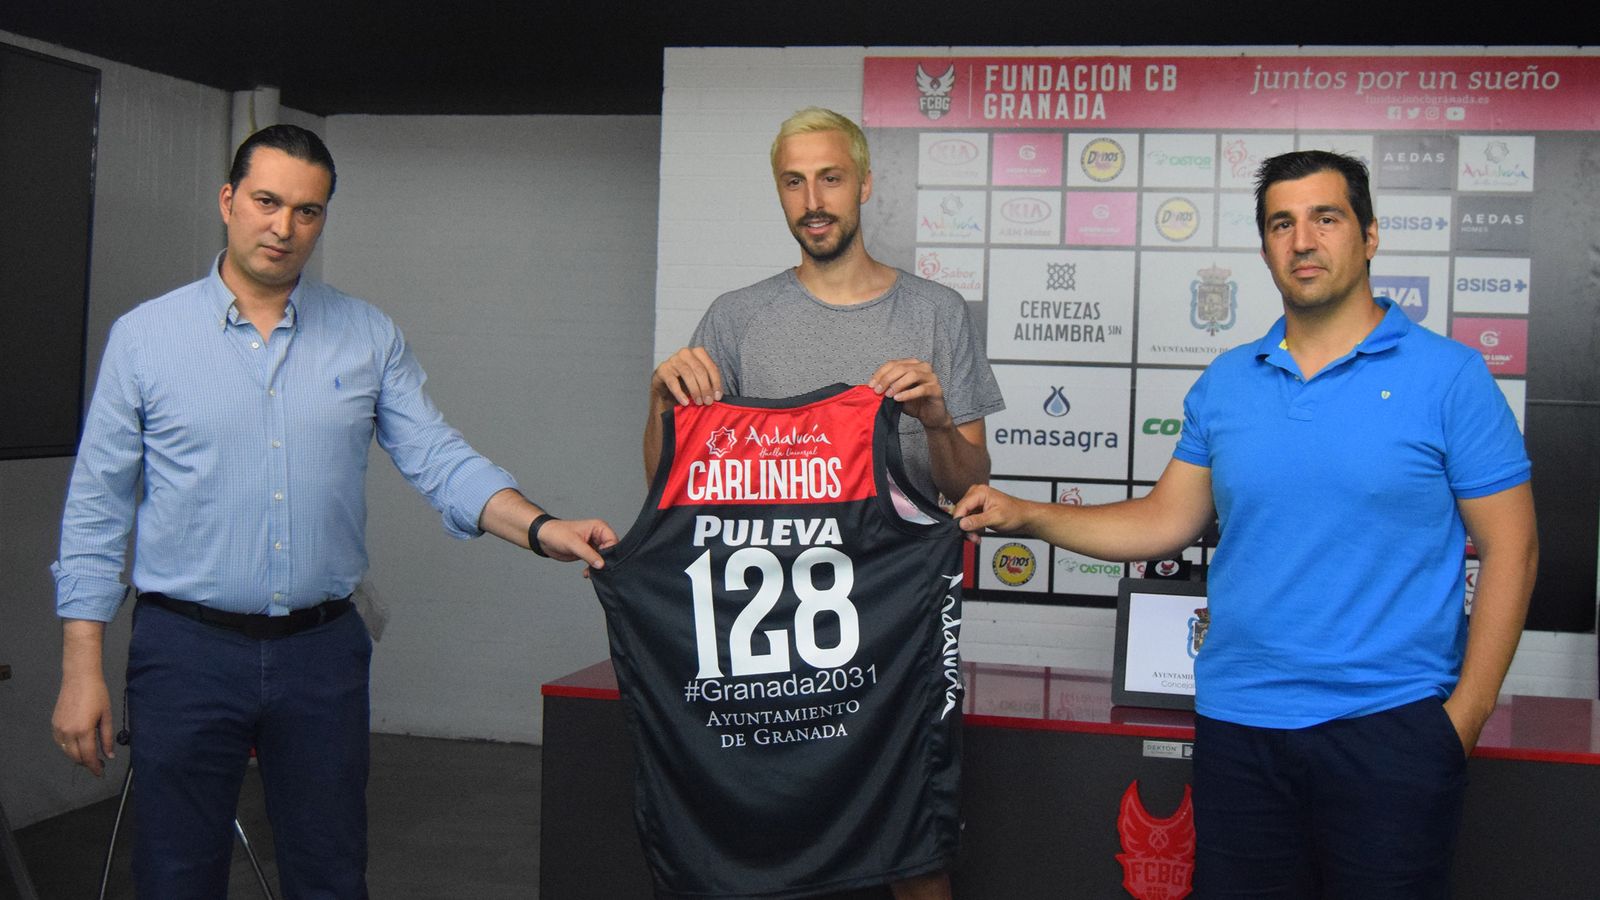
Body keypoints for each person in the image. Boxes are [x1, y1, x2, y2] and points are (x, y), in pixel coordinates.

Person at [49, 124, 617, 898]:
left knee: (331, 874)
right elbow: (96, 507)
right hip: (185, 652)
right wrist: (82, 667)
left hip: (321, 656)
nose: (283, 228)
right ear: (228, 201)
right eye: (266, 202)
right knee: (176, 876)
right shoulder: (146, 339)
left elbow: (439, 457)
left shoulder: (367, 336)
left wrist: (542, 528)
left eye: (307, 211)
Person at [953, 150, 1537, 897]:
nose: (1303, 241)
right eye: (1281, 223)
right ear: (1264, 245)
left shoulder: (1450, 376)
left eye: (1326, 218)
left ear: (1370, 235)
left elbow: (1512, 549)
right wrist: (1026, 513)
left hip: (1393, 730)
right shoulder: (1228, 380)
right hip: (1240, 728)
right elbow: (1165, 519)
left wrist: (1464, 717)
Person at [645, 108, 1004, 899]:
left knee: (916, 849)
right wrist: (661, 402)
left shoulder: (935, 313)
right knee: (764, 837)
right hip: (771, 636)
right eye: (794, 181)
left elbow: (966, 484)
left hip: (897, 627)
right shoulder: (736, 317)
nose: (814, 199)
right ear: (779, 193)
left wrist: (939, 418)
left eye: (831, 178)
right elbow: (671, 487)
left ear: (865, 186)